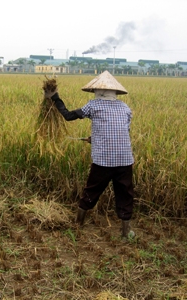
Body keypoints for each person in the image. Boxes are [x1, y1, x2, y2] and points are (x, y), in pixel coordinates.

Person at [45, 71, 135, 238]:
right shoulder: (125, 108)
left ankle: (78, 224)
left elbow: (69, 116)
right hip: (125, 160)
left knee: (91, 191)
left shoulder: (93, 105)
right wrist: (95, 138)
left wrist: (55, 98)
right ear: (115, 92)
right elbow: (121, 132)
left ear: (97, 92)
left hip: (103, 161)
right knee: (125, 194)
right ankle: (126, 232)